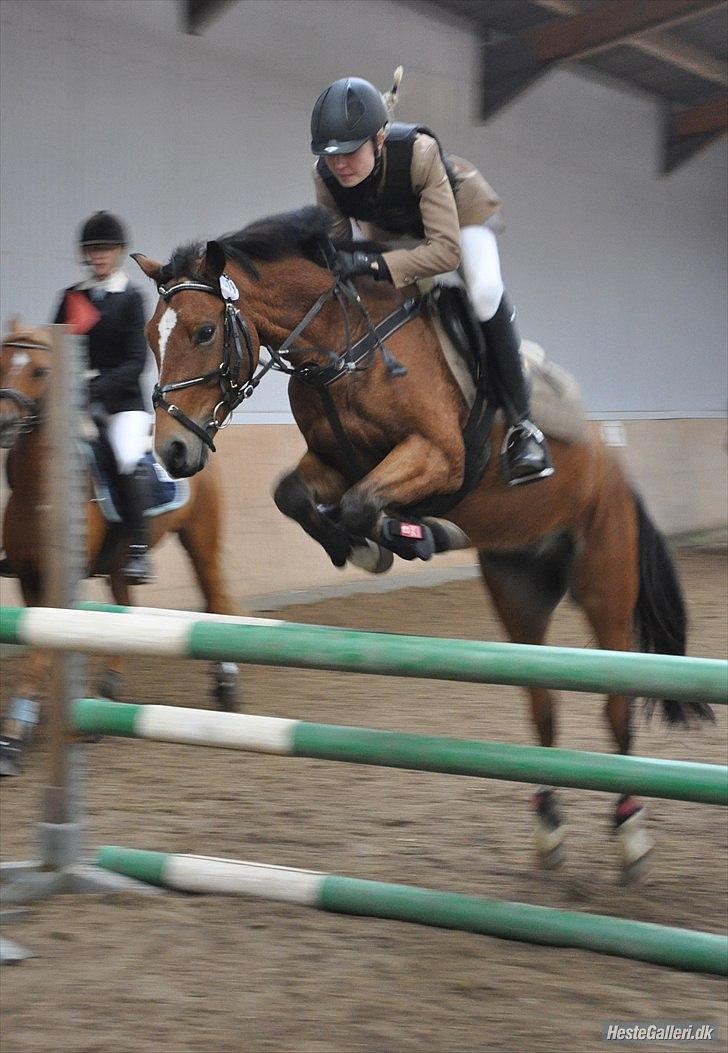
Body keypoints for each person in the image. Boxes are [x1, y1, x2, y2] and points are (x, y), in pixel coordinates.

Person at [310, 75, 554, 486]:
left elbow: (444, 252)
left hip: (459, 215)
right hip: (392, 230)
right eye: (330, 154)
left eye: (349, 152)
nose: (339, 164)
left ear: (379, 140)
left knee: (483, 291)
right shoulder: (326, 176)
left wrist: (376, 266)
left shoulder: (419, 152)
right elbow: (338, 252)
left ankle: (523, 427)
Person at [53, 211, 153, 583]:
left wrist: (94, 389)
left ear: (118, 252)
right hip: (74, 401)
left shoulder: (130, 298)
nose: (99, 256)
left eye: (106, 250)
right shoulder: (71, 297)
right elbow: (55, 347)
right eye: (93, 250)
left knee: (126, 456)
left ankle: (139, 550)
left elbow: (136, 361)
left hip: (122, 404)